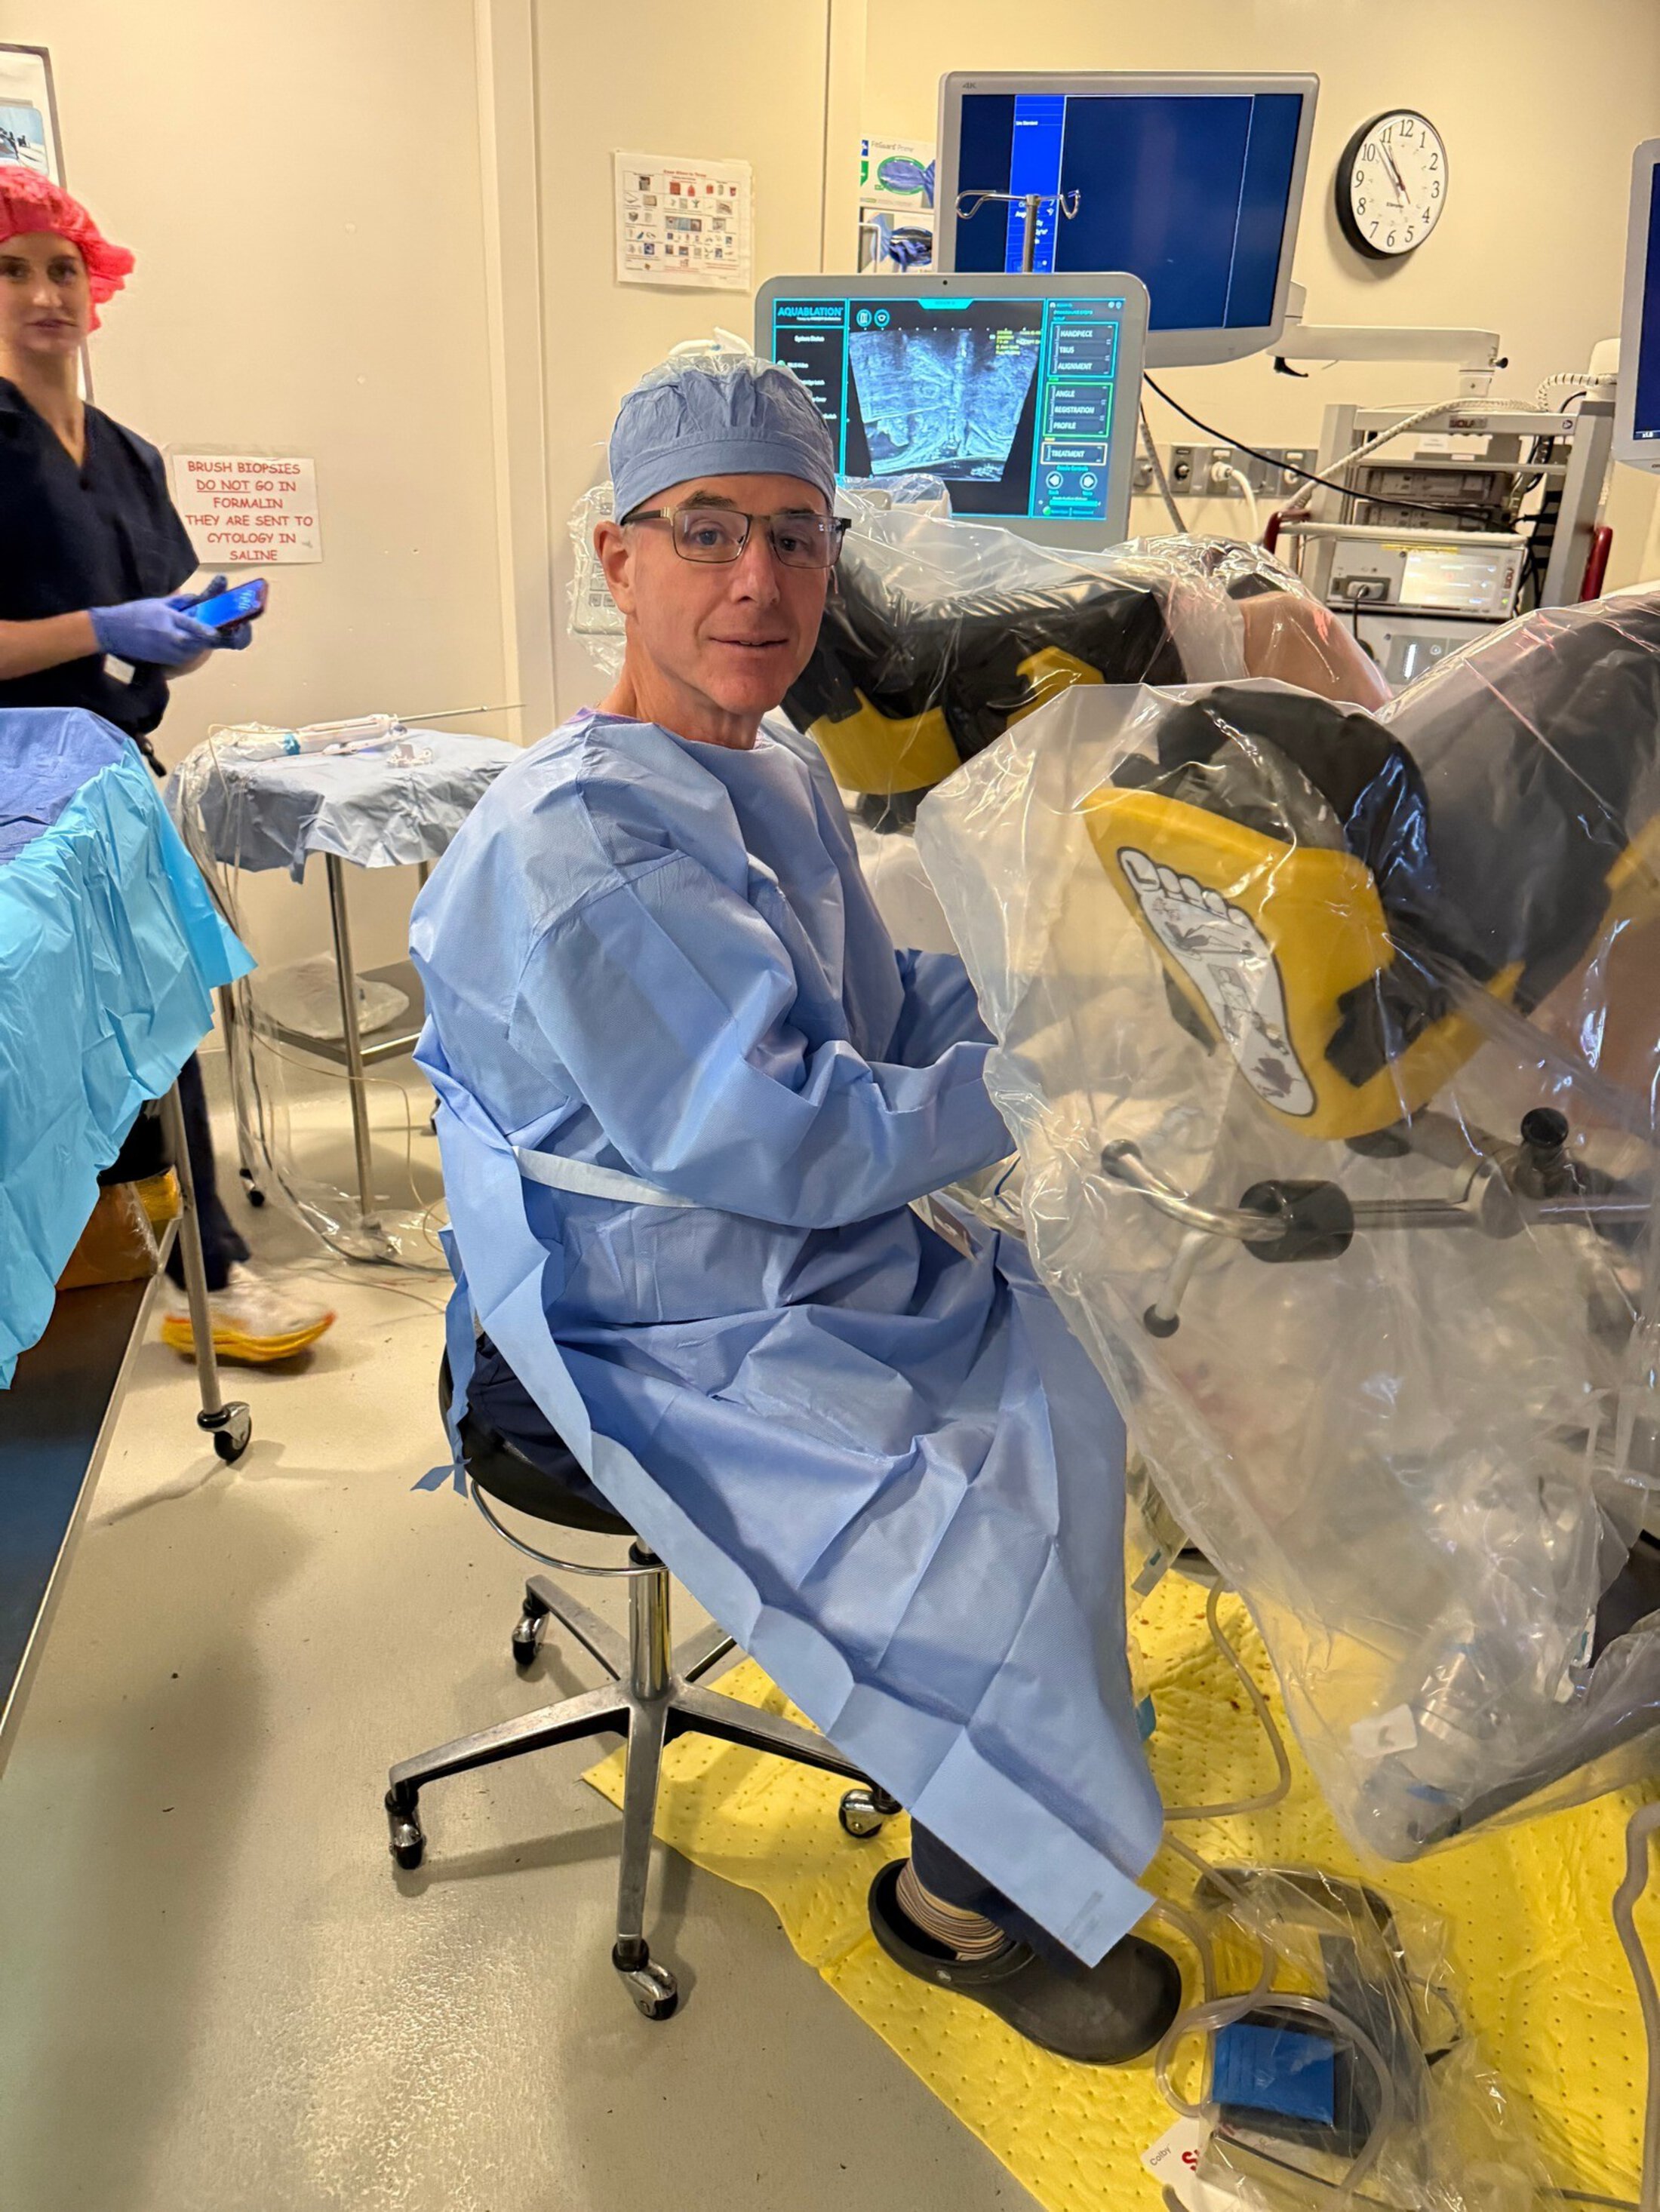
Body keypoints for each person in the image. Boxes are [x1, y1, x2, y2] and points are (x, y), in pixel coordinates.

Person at [412, 353, 1182, 2064]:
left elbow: (867, 997)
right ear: (617, 560)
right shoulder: (589, 839)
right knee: (981, 1505)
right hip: (655, 1306)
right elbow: (786, 1130)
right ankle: (957, 1901)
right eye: (704, 533)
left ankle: (1007, 1799)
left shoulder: (757, 772)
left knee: (1090, 1366)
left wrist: (1054, 993)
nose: (754, 580)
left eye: (792, 536)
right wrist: (1053, 1077)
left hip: (779, 1247)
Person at [0, 164, 333, 1363]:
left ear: (99, 290)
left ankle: (197, 1264)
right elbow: (91, 632)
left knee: (158, 1006)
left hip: (107, 772)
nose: (44, 290)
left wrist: (194, 631)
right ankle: (173, 1263)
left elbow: (147, 634)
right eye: (12, 267)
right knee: (64, 1020)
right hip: (17, 793)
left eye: (64, 266)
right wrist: (103, 629)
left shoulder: (131, 459)